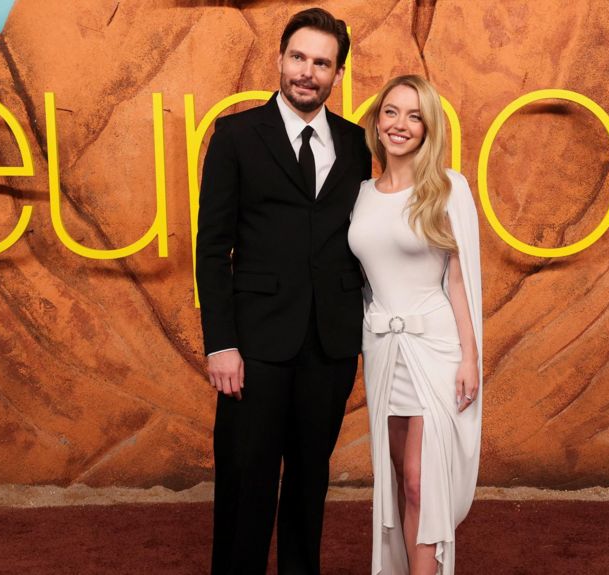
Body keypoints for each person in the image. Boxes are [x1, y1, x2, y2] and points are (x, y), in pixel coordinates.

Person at [195, 7, 372, 574]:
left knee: (308, 484)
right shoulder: (236, 136)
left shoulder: (356, 144)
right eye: (298, 57)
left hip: (330, 344)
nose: (307, 72)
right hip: (254, 347)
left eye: (321, 63)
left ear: (337, 73)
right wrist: (221, 343)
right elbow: (211, 248)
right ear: (279, 59)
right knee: (245, 483)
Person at [348, 75, 483, 575]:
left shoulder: (448, 188)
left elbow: (460, 280)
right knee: (398, 483)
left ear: (428, 128)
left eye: (414, 116)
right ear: (377, 121)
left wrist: (470, 357)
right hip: (383, 351)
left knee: (420, 483)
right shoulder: (360, 193)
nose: (400, 124)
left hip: (436, 350)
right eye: (391, 112)